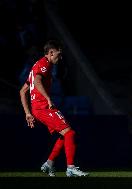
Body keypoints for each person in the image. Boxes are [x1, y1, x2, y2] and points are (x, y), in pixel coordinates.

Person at [19, 39, 88, 177]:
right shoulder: (44, 64)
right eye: (59, 54)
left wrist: (28, 113)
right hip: (43, 107)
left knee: (62, 136)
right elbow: (37, 82)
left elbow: (22, 91)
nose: (60, 57)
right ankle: (70, 168)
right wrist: (48, 98)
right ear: (51, 52)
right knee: (69, 133)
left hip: (38, 109)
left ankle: (49, 164)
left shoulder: (37, 66)